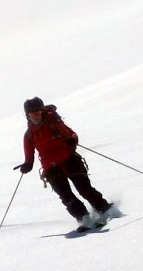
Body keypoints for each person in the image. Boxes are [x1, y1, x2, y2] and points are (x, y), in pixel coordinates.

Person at [17, 97, 113, 229]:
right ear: (27, 116)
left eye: (38, 113)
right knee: (66, 196)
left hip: (69, 159)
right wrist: (27, 165)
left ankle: (105, 209)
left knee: (84, 189)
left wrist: (72, 141)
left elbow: (72, 135)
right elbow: (29, 158)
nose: (36, 116)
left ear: (43, 112)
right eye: (32, 114)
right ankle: (83, 218)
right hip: (50, 168)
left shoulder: (54, 123)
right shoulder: (29, 135)